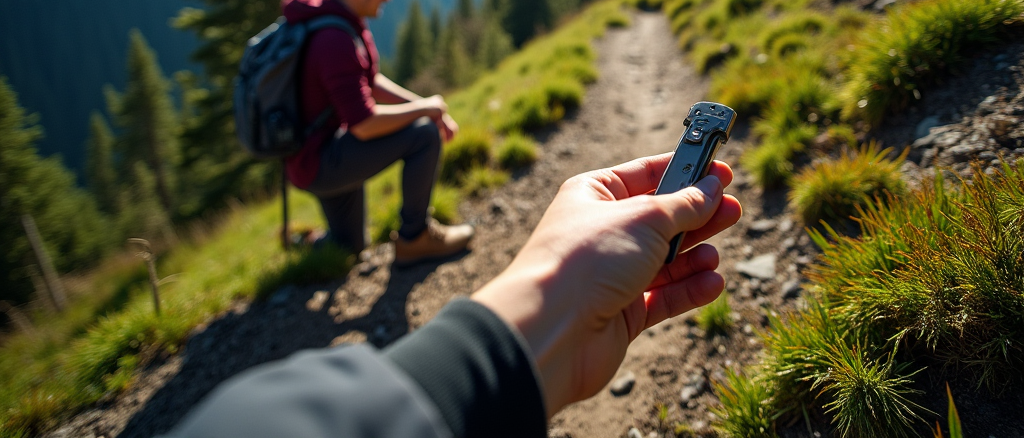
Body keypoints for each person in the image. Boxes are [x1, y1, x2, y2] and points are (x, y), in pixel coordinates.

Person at [168, 154, 742, 438]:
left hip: (315, 165)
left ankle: (358, 239)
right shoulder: (336, 33)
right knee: (418, 135)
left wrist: (546, 319)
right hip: (328, 160)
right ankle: (408, 236)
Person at [284, 0, 474, 265]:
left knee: (350, 248)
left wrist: (431, 106)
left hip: (319, 151)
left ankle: (309, 241)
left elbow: (369, 82)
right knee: (423, 134)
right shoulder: (335, 39)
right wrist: (426, 111)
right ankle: (416, 237)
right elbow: (364, 125)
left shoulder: (343, 22)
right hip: (320, 161)